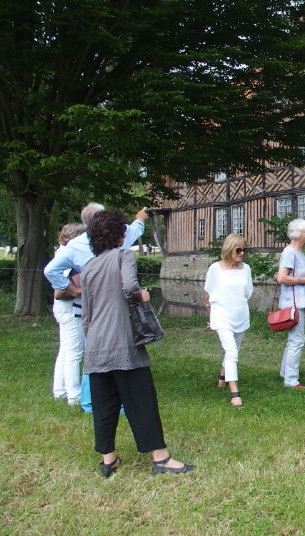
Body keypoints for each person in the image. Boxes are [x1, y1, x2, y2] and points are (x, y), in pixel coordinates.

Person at [81, 210, 193, 477]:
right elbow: (130, 287)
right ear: (118, 234)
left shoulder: (88, 268)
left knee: (104, 404)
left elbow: (86, 316)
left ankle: (108, 461)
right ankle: (161, 459)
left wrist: (94, 340)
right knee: (142, 400)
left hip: (95, 345)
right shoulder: (124, 256)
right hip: (123, 341)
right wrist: (142, 296)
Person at [44, 202, 147, 412]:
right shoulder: (119, 248)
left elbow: (50, 270)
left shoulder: (75, 247)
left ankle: (89, 400)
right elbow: (129, 284)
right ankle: (111, 401)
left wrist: (73, 290)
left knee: (93, 351)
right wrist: (140, 219)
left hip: (89, 306)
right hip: (113, 304)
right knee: (118, 351)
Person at [204, 234, 253, 408]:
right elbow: (208, 292)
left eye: (244, 250)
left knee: (234, 350)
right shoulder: (215, 269)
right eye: (238, 250)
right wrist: (211, 315)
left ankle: (222, 376)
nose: (242, 253)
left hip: (240, 315)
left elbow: (248, 293)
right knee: (232, 352)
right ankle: (234, 394)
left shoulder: (246, 269)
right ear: (228, 249)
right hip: (222, 316)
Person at [276, 218, 305, 389]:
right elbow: (281, 278)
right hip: (292, 304)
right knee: (297, 341)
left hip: (299, 301)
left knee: (293, 340)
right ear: (298, 234)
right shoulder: (290, 252)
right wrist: (302, 280)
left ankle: (285, 373)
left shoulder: (300, 253)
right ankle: (291, 380)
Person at [51, 222, 87, 406]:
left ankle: (60, 391)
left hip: (63, 308)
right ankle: (74, 396)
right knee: (74, 352)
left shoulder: (61, 253)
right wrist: (79, 290)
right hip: (72, 309)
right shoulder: (70, 256)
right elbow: (70, 284)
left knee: (65, 350)